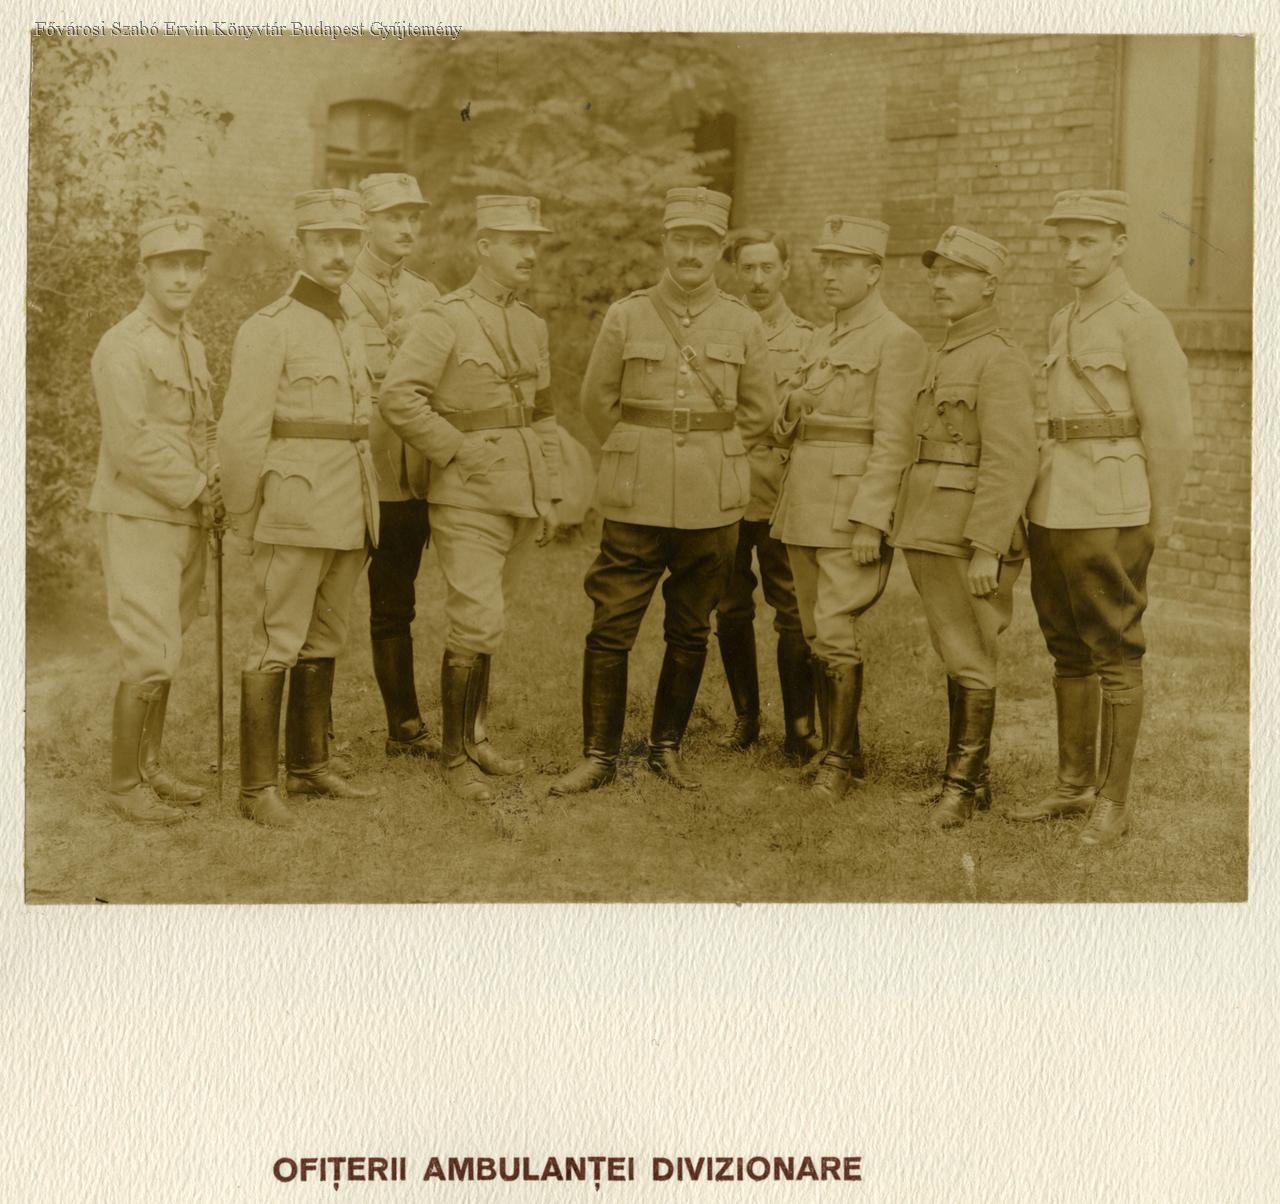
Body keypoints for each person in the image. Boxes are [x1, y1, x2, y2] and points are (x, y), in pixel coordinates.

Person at [550, 186, 775, 796]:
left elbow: (758, 410)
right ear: (665, 244)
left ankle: (665, 748)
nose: (691, 253)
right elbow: (596, 400)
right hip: (635, 493)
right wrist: (636, 449)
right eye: (681, 240)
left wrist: (714, 453)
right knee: (611, 622)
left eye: (704, 242)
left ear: (721, 249)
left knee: (691, 626)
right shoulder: (626, 315)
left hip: (712, 497)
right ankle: (598, 755)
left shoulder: (743, 321)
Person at [1007, 190, 1193, 846]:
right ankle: (1072, 785)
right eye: (1064, 241)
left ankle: (1113, 801)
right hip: (1057, 500)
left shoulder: (1143, 323)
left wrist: (1159, 519)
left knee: (1114, 648)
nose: (1072, 254)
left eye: (1086, 241)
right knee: (1065, 643)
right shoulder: (1063, 319)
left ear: (1120, 243)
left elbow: (1170, 432)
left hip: (1113, 505)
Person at [377, 195, 562, 802]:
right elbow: (399, 397)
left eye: (534, 242)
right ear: (484, 247)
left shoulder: (531, 324)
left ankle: (475, 738)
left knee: (491, 622)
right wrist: (454, 449)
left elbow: (542, 413)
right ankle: (454, 758)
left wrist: (551, 491)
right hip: (466, 495)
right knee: (475, 618)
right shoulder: (445, 318)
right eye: (517, 241)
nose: (530, 252)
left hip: (520, 492)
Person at [220, 189, 380, 828]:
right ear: (300, 245)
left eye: (350, 240)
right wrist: (241, 513)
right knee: (276, 639)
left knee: (326, 636)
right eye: (326, 240)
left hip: (348, 503)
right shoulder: (270, 327)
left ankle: (309, 767)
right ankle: (257, 788)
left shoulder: (348, 321)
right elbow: (241, 431)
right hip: (294, 507)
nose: (340, 253)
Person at [769, 215, 927, 802]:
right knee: (813, 627)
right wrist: (792, 406)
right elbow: (791, 425)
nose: (828, 274)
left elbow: (895, 439)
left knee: (835, 629)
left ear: (875, 272)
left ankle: (838, 762)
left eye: (843, 264)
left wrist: (871, 518)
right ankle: (843, 752)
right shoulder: (822, 336)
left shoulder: (897, 339)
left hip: (847, 504)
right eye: (825, 262)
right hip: (803, 499)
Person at [889, 226, 1037, 828]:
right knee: (954, 651)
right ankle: (971, 781)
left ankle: (961, 788)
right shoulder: (947, 351)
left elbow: (1011, 459)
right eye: (936, 270)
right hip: (930, 522)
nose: (939, 281)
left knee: (971, 655)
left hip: (967, 533)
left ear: (990, 284)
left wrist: (987, 547)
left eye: (955, 272)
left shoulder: (999, 358)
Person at [89, 213, 219, 824]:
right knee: (149, 646)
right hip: (140, 511)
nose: (183, 277)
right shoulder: (123, 344)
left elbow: (203, 427)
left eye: (193, 265)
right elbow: (129, 443)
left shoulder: (191, 343)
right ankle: (125, 784)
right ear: (145, 270)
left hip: (185, 514)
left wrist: (214, 476)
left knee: (169, 640)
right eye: (171, 265)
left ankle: (150, 766)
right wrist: (196, 488)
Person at [344, 172, 442, 759]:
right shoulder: (337, 288)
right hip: (351, 467)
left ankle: (403, 727)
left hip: (407, 474)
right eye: (393, 217)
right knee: (320, 602)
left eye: (413, 218)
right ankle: (311, 739)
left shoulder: (428, 295)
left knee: (395, 600)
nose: (406, 228)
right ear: (366, 223)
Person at [713, 229, 820, 762]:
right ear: (736, 271)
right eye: (747, 268)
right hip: (725, 486)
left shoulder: (810, 340)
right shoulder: (719, 331)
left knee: (793, 608)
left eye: (767, 268)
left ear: (785, 271)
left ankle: (800, 728)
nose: (757, 279)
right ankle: (745, 717)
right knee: (730, 605)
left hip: (783, 491)